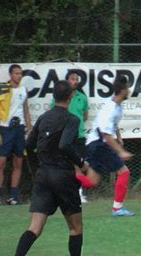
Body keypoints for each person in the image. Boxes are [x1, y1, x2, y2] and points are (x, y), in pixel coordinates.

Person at [4, 80, 95, 256]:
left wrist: (44, 158)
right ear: (71, 97)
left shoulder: (44, 118)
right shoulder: (72, 119)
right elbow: (64, 145)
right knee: (75, 228)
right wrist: (82, 164)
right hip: (62, 176)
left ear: (53, 97)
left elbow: (28, 145)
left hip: (43, 175)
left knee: (34, 228)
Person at [76, 75, 134, 216]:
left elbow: (112, 127)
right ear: (122, 91)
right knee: (124, 172)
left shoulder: (115, 105)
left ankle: (66, 175)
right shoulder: (111, 108)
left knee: (91, 182)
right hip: (98, 144)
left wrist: (119, 138)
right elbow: (106, 135)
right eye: (127, 88)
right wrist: (120, 151)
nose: (129, 91)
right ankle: (117, 208)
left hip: (94, 144)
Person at [51, 70, 89, 203]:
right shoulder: (60, 99)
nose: (75, 81)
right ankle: (63, 192)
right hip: (64, 136)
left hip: (79, 134)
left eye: (77, 79)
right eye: (72, 79)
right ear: (67, 81)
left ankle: (78, 192)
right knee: (66, 165)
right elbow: (54, 114)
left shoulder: (82, 97)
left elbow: (85, 115)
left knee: (79, 163)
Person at [0, 64, 32, 205]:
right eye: (16, 73)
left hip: (19, 128)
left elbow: (26, 110)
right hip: (5, 128)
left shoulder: (23, 90)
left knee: (18, 162)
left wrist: (28, 127)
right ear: (11, 75)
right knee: (0, 163)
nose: (19, 76)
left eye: (20, 73)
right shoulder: (2, 89)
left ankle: (13, 196)